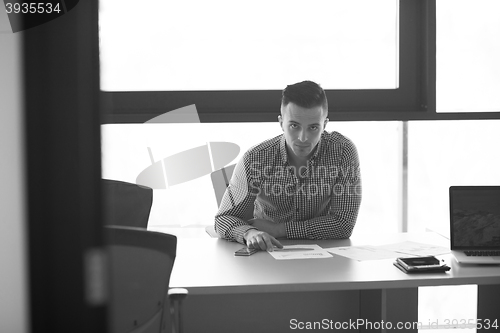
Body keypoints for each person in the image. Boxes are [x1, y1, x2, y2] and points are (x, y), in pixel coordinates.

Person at [214, 80, 362, 251]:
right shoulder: (255, 158)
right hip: (267, 252)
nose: (303, 138)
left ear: (325, 125)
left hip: (322, 252)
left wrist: (280, 229)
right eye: (294, 126)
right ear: (281, 122)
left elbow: (343, 224)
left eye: (313, 127)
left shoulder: (343, 151)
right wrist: (250, 233)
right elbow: (224, 219)